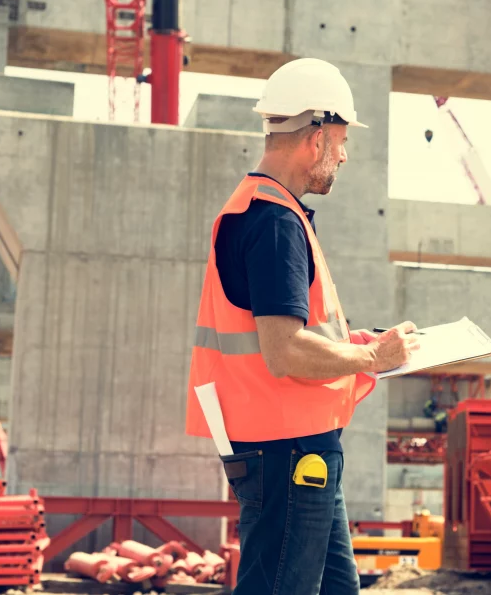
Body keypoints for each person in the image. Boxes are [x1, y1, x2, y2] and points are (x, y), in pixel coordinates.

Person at [185, 57, 421, 594]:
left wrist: (356, 344)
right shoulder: (274, 222)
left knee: (339, 589)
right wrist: (373, 359)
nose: (344, 155)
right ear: (315, 140)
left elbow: (288, 333)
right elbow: (285, 351)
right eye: (340, 142)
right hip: (287, 449)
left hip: (292, 446)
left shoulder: (258, 209)